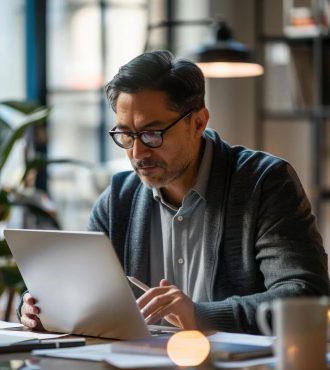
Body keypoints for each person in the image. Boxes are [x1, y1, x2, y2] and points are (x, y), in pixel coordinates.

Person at [20, 50, 329, 334]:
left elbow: (306, 294)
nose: (138, 152)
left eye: (152, 134)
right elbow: (83, 291)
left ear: (198, 122)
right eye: (126, 134)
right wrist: (44, 307)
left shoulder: (264, 183)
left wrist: (201, 315)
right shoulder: (117, 201)